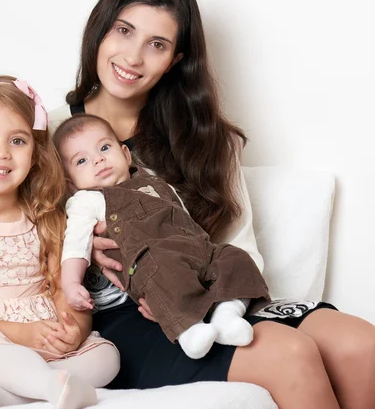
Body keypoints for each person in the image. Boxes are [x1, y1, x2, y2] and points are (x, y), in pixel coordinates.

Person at [47, 0, 375, 409]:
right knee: (289, 355)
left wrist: (210, 290)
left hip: (218, 292)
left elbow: (242, 248)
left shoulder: (204, 138)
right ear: (100, 28)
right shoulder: (47, 134)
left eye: (157, 44)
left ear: (176, 59)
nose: (133, 56)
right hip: (127, 319)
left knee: (362, 346)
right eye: (124, 31)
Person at [0, 76, 119, 409]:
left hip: (44, 332)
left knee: (107, 357)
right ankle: (49, 385)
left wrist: (75, 329)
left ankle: (2, 395)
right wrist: (21, 335)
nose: (1, 152)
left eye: (18, 141)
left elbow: (65, 290)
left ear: (36, 155)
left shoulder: (46, 216)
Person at [53, 113, 270, 359]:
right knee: (166, 270)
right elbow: (76, 245)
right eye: (82, 160)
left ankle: (227, 314)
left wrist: (206, 252)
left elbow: (181, 216)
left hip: (196, 249)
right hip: (154, 263)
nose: (98, 160)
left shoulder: (153, 180)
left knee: (236, 257)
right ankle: (189, 331)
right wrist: (71, 283)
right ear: (71, 183)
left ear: (125, 154)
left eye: (104, 147)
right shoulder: (87, 200)